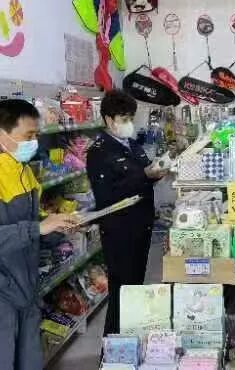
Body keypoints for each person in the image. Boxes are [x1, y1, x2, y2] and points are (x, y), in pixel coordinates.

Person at [0, 99, 78, 370]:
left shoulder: (22, 171)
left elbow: (30, 227)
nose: (34, 143)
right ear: (1, 137)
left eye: (36, 135)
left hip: (25, 289)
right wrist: (37, 228)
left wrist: (57, 228)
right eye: (28, 136)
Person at [86, 90, 167, 335]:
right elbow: (107, 195)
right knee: (121, 292)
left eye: (131, 118)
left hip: (141, 225)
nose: (129, 123)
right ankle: (112, 347)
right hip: (119, 231)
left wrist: (155, 173)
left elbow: (142, 175)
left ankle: (130, 342)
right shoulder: (99, 151)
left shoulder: (132, 145)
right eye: (124, 119)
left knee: (135, 288)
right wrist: (144, 175)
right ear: (108, 119)